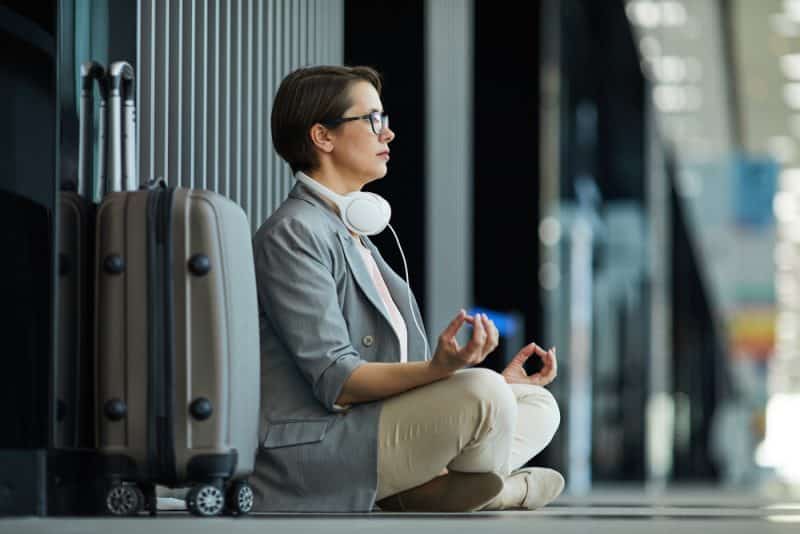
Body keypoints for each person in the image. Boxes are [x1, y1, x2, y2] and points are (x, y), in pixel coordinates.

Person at [250, 65, 563, 512]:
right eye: (373, 120)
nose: (389, 134)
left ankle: (428, 487)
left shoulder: (351, 231)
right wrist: (442, 372)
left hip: (372, 427)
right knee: (485, 397)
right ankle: (478, 490)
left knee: (534, 402)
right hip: (319, 446)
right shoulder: (295, 232)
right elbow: (338, 381)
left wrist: (475, 376)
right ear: (323, 136)